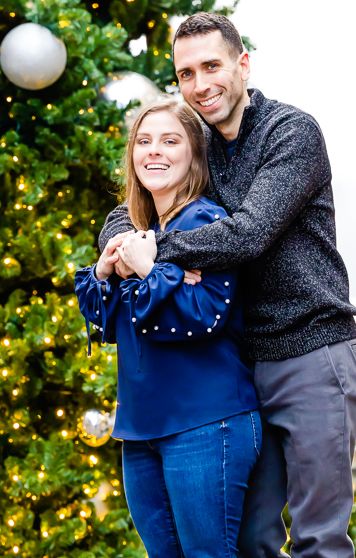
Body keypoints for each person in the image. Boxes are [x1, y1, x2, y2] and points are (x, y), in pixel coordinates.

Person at [98, 13, 356, 558]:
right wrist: (127, 239)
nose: (200, 85)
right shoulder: (200, 143)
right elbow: (133, 204)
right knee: (251, 542)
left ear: (243, 65)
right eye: (186, 73)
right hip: (243, 373)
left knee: (319, 539)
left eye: (212, 66)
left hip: (311, 355)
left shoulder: (290, 133)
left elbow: (249, 234)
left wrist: (153, 254)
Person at [75, 97, 260, 558]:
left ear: (194, 153)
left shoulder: (207, 222)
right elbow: (111, 323)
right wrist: (103, 273)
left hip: (206, 422)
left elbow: (204, 315)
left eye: (170, 141)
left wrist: (149, 274)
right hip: (140, 428)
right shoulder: (136, 232)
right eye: (144, 141)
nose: (154, 152)